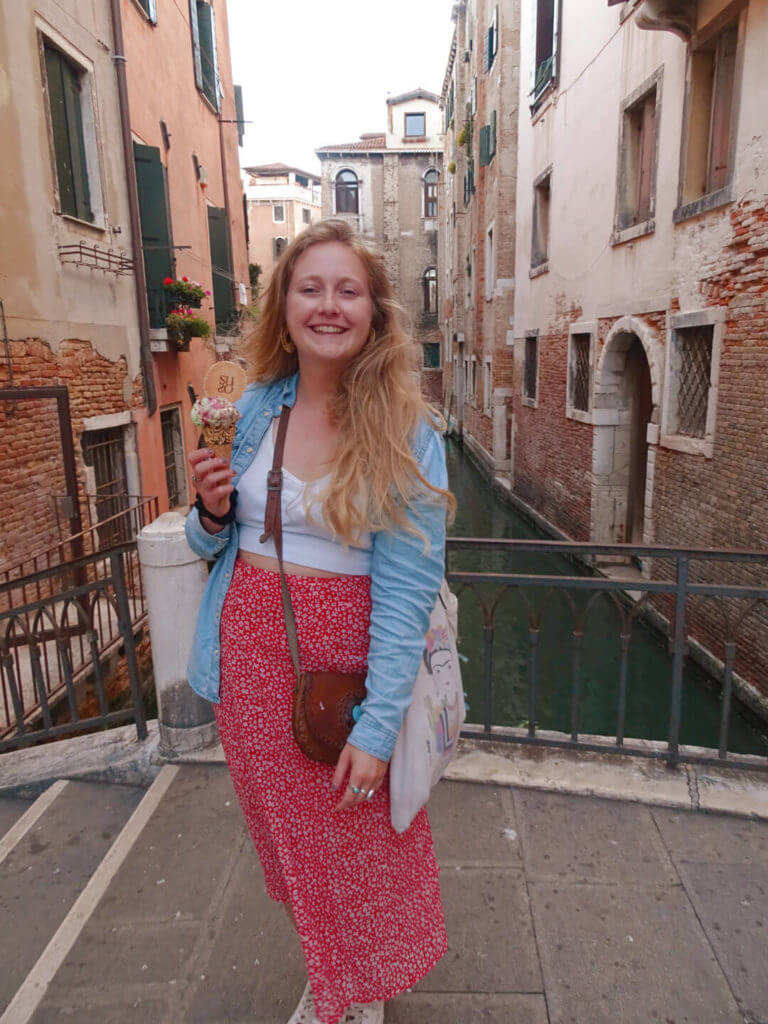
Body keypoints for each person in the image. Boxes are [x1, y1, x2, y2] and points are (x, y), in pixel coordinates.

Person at [185, 219, 455, 1024]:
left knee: (356, 845)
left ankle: (356, 992)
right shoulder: (251, 407)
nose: (329, 306)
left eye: (348, 290)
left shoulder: (409, 428)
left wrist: (377, 729)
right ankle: (333, 973)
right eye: (311, 288)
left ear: (373, 310)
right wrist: (207, 508)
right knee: (295, 845)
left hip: (351, 668)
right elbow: (212, 540)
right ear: (285, 306)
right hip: (251, 658)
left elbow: (410, 589)